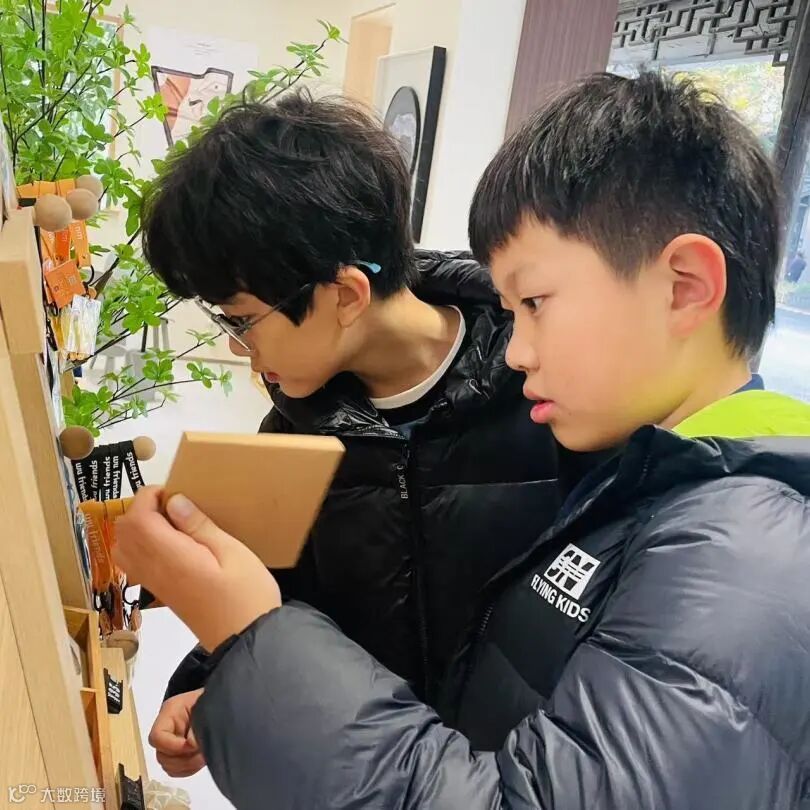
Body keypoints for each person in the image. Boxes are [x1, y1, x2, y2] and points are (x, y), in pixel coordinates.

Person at [116, 72, 810, 808]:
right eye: (515, 306)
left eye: (535, 302)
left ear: (685, 286)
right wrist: (224, 671)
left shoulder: (709, 524)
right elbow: (307, 601)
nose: (519, 348)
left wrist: (253, 638)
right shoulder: (300, 429)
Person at [140, 91, 588, 777]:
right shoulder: (292, 437)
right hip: (372, 774)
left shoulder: (552, 399)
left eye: (241, 319)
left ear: (346, 295)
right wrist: (209, 687)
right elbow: (280, 605)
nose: (236, 346)